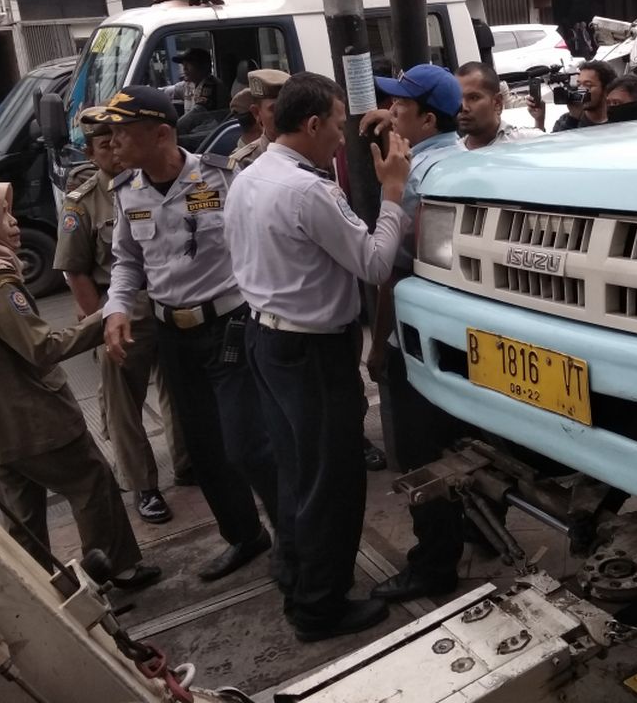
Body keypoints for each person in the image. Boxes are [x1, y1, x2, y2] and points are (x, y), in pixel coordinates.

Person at [226, 72, 412, 641]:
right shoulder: (309, 190)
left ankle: (294, 570)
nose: (341, 136)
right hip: (310, 351)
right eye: (335, 124)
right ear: (311, 124)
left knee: (297, 470)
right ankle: (320, 606)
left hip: (268, 340)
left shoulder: (250, 175)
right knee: (331, 481)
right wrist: (394, 193)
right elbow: (376, 263)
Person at [0, 181, 160, 590]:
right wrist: (105, 318)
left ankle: (37, 592)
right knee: (92, 483)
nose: (14, 224)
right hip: (36, 424)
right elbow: (42, 347)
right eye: (1, 215)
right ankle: (115, 569)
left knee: (23, 520)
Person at [99, 86, 280, 583]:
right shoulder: (127, 191)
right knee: (204, 449)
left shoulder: (223, 176)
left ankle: (294, 537)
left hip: (231, 325)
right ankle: (245, 536)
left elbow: (262, 243)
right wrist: (115, 307)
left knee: (249, 443)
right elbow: (127, 262)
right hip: (171, 335)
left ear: (160, 133)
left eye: (121, 130)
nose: (111, 140)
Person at [361, 64, 477, 603]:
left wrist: (378, 345)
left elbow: (390, 272)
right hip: (464, 336)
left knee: (420, 457)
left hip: (415, 336)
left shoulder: (413, 181)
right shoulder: (467, 160)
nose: (391, 113)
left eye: (401, 108)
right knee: (464, 443)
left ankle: (432, 565)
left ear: (427, 119)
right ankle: (479, 531)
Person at [54, 107, 189, 525]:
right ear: (91, 153)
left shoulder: (151, 182)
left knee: (179, 391)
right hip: (123, 310)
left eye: (117, 140)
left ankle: (188, 464)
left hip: (169, 303)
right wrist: (100, 318)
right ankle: (143, 485)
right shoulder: (83, 202)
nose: (114, 149)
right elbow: (74, 269)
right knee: (123, 405)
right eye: (103, 144)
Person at [455, 62, 541, 149]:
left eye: (473, 98)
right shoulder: (449, 155)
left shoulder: (529, 142)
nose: (463, 107)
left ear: (497, 103)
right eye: (457, 98)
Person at [527, 60, 616, 132]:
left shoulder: (617, 121)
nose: (581, 89)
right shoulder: (565, 120)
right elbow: (554, 149)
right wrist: (539, 121)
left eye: (588, 85)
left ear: (606, 89)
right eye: (579, 85)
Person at [227, 69, 289, 171]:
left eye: (291, 107)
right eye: (275, 109)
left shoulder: (314, 149)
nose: (285, 114)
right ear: (256, 113)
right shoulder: (243, 164)